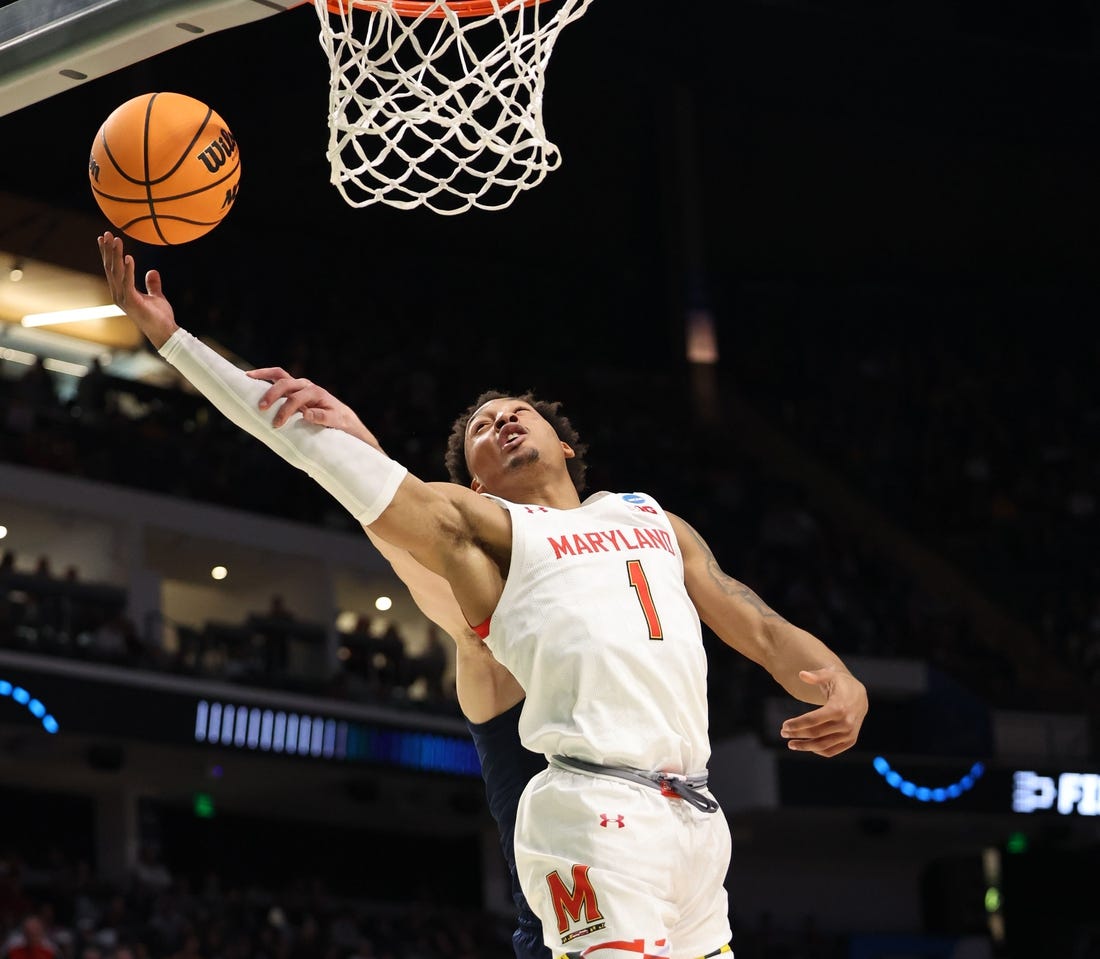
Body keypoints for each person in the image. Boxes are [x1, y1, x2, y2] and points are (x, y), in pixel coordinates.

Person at [98, 231, 869, 959]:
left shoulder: (652, 521)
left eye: (515, 411)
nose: (500, 420)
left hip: (695, 817)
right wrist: (174, 342)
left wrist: (841, 679)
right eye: (479, 427)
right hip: (591, 811)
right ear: (472, 482)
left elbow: (759, 623)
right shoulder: (489, 548)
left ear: (565, 442)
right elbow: (361, 489)